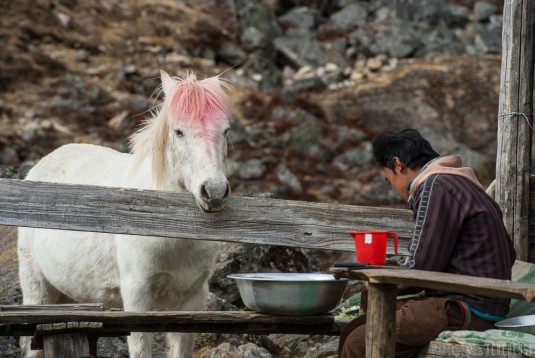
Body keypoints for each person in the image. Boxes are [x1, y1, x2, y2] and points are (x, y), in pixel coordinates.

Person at [338, 129, 516, 358]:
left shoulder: (437, 186)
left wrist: (378, 280)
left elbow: (422, 266)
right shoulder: (458, 184)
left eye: (388, 178)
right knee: (356, 327)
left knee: (359, 342)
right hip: (480, 305)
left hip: (467, 309)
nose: (392, 186)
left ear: (397, 164)